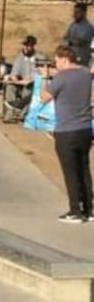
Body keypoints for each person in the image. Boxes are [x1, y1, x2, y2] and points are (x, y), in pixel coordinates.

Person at [39, 46, 93, 224]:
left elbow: (44, 97)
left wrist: (46, 77)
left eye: (56, 61)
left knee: (70, 171)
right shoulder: (85, 74)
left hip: (66, 130)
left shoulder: (60, 78)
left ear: (64, 59)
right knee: (84, 168)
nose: (56, 64)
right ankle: (89, 209)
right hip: (85, 129)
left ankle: (75, 211)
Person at [2, 36, 39, 123]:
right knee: (10, 87)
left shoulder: (39, 58)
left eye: (28, 46)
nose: (25, 48)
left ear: (33, 46)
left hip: (32, 85)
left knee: (28, 88)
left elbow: (35, 77)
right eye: (24, 45)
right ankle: (10, 115)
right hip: (20, 83)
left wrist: (27, 79)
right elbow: (15, 72)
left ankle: (22, 116)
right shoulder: (20, 57)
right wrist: (13, 77)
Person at [64, 3, 94, 68]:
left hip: (81, 61)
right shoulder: (72, 24)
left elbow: (79, 42)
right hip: (70, 59)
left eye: (77, 12)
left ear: (84, 13)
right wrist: (71, 41)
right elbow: (65, 38)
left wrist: (70, 41)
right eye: (74, 12)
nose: (74, 15)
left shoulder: (88, 27)